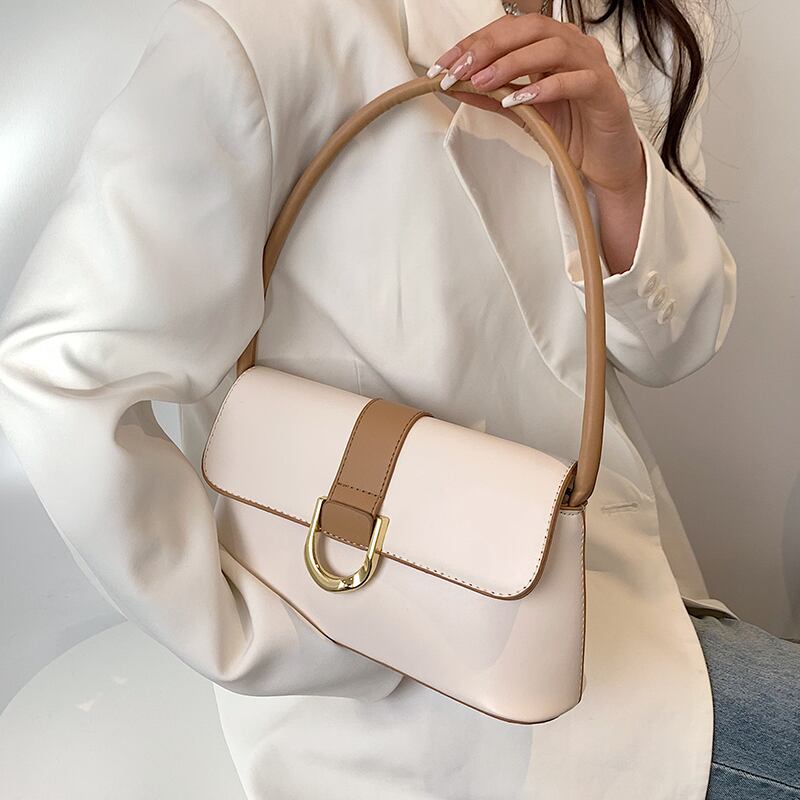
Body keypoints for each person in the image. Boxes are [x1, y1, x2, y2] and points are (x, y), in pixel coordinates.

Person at [0, 0, 796, 797]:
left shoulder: (640, 24)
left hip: (619, 584)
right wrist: (261, 634)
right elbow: (62, 377)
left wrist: (620, 177)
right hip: (405, 662)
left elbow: (671, 348)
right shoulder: (268, 29)